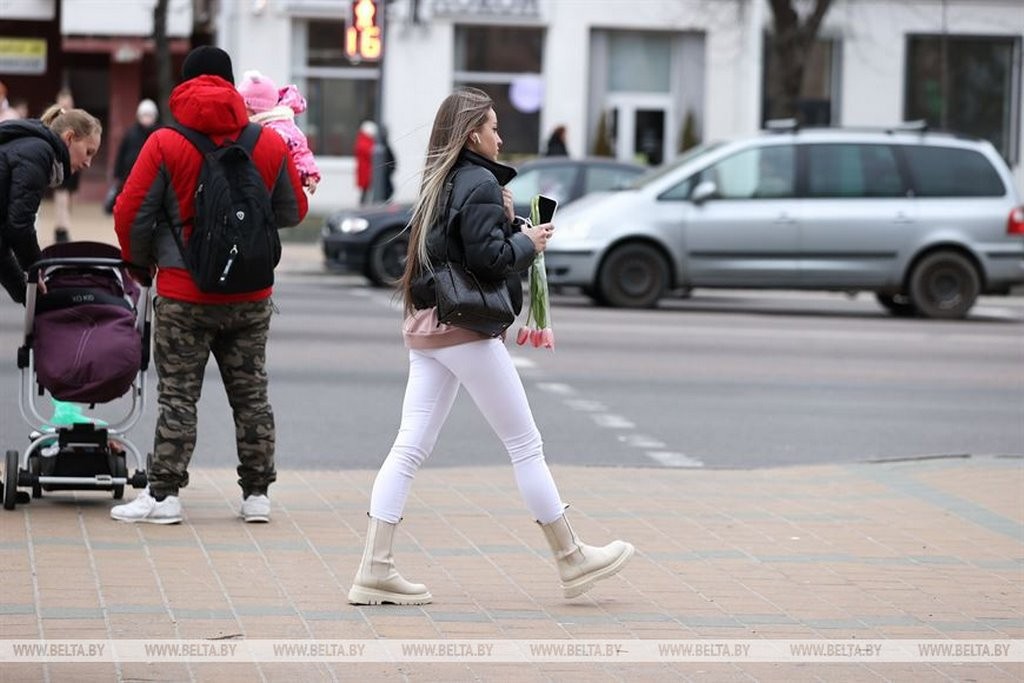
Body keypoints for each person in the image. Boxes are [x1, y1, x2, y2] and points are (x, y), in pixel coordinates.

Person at [347, 87, 634, 605]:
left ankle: (375, 567)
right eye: (494, 128)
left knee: (409, 448)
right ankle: (571, 558)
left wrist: (511, 233)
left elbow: (457, 247)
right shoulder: (478, 181)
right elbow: (485, 260)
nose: (501, 138)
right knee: (525, 445)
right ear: (472, 134)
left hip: (428, 326)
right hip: (464, 330)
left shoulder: (443, 179)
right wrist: (528, 243)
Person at [110, 45, 309, 524]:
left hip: (183, 293)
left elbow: (130, 214)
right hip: (251, 294)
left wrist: (142, 265)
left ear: (184, 85)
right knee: (252, 393)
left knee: (178, 395)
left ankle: (165, 497)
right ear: (231, 84)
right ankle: (257, 495)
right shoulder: (267, 143)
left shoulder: (163, 142)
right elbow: (293, 210)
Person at [0, 105, 102, 305]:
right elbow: (19, 225)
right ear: (70, 137)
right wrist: (35, 270)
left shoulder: (33, 147)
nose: (88, 163)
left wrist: (27, 292)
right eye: (88, 151)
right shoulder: (40, 153)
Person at [236, 70, 320, 194]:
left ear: (254, 108)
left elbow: (300, 151)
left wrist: (308, 173)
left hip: (280, 187)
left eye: (243, 108)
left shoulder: (281, 128)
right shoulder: (259, 124)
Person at [108, 99, 160, 213]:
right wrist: (118, 172)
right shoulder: (130, 133)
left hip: (153, 174)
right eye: (144, 115)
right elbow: (121, 154)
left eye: (149, 115)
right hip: (130, 173)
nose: (147, 118)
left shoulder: (159, 134)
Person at [52, 88, 78, 242]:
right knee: (60, 195)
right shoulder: (54, 118)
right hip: (59, 160)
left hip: (73, 161)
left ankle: (62, 226)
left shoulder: (76, 118)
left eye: (68, 103)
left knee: (68, 196)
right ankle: (62, 227)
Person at [354, 120, 376, 204]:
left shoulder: (363, 140)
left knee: (365, 192)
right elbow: (370, 153)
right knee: (365, 191)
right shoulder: (364, 142)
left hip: (366, 171)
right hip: (366, 172)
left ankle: (364, 205)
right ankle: (363, 206)